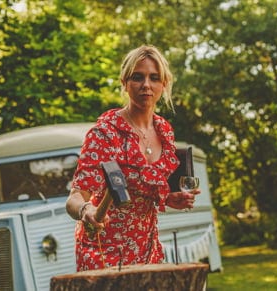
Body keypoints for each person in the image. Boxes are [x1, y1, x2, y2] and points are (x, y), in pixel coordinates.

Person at [65, 45, 199, 271]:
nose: (146, 85)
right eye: (138, 77)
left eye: (154, 78)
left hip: (147, 248)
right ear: (125, 83)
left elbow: (144, 189)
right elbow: (75, 197)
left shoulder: (165, 131)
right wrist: (86, 211)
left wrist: (167, 198)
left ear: (163, 84)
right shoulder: (105, 134)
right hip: (103, 252)